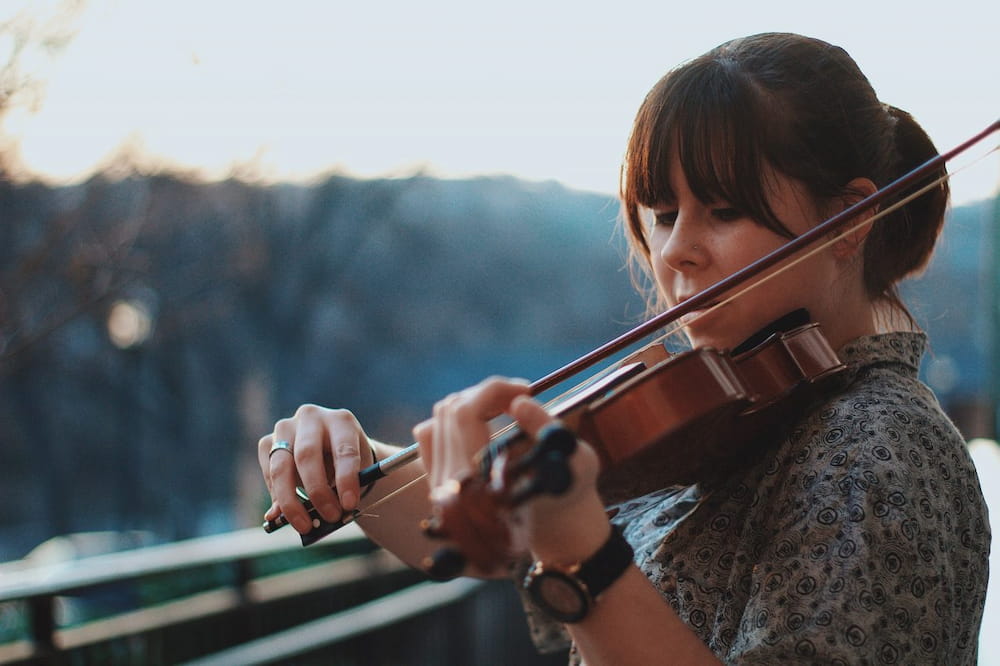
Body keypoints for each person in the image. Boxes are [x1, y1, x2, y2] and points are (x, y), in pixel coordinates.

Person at [258, 32, 991, 665]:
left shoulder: (878, 444)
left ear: (846, 220)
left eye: (724, 211)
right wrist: (359, 466)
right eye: (663, 214)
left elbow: (576, 559)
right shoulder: (738, 415)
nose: (676, 253)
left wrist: (584, 557)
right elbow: (476, 539)